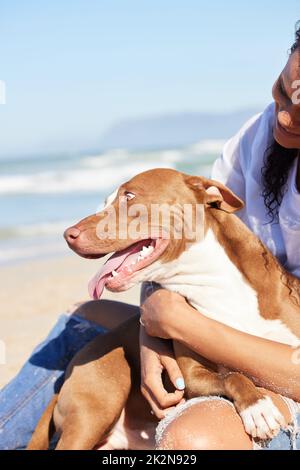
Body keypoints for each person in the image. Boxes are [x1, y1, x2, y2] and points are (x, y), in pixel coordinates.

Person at [1, 23, 300, 451]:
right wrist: (150, 329)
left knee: (191, 437)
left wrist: (180, 324)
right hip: (226, 323)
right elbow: (177, 232)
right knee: (84, 315)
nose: (284, 115)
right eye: (283, 90)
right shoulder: (257, 139)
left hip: (282, 365)